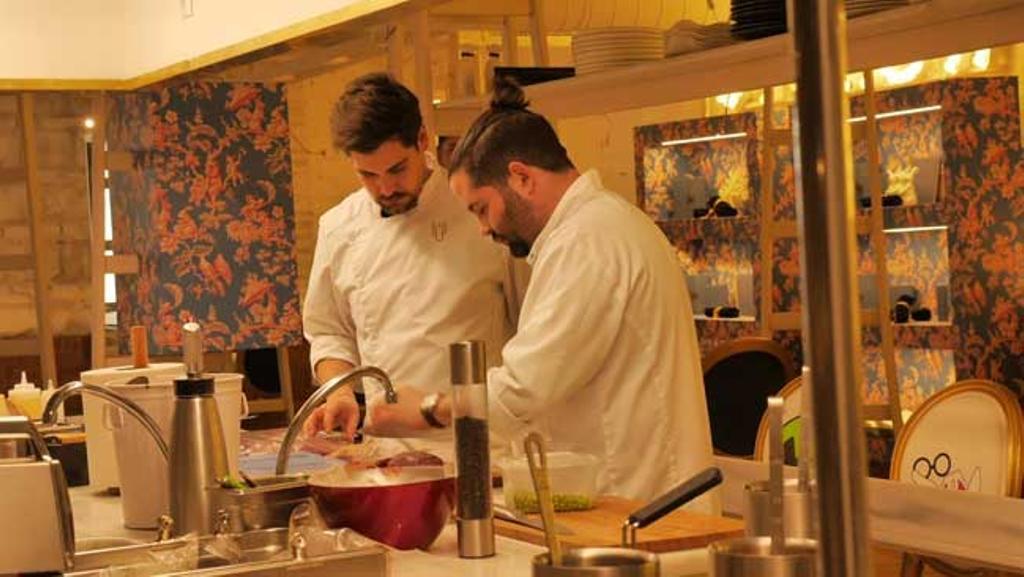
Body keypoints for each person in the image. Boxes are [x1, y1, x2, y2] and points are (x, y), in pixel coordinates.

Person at [366, 78, 716, 509]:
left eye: (481, 208)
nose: (483, 228)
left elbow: (522, 391)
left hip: (639, 504)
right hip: (631, 497)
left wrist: (428, 408)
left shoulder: (587, 241)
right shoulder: (599, 225)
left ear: (521, 177)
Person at [301, 73, 526, 453]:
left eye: (397, 169)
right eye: (367, 175)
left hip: (484, 450)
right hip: (387, 453)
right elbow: (328, 331)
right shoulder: (339, 227)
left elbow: (529, 323)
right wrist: (339, 392)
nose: (385, 188)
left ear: (422, 140)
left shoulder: (479, 211)